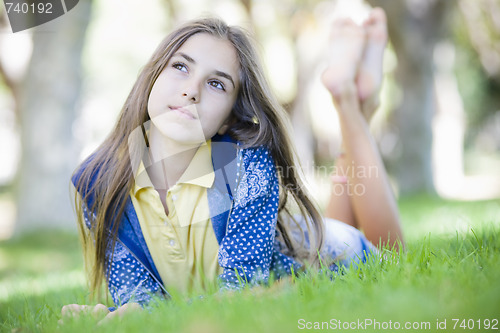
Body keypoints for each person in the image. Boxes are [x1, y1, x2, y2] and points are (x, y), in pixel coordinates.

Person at [61, 8, 403, 322]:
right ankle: (360, 100)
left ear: (228, 118)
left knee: (390, 256)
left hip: (335, 256)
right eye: (180, 66)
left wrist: (138, 315)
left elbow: (242, 291)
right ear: (152, 77)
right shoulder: (99, 183)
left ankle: (346, 99)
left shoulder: (247, 166)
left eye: (216, 84)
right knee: (322, 227)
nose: (191, 91)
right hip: (308, 237)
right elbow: (142, 301)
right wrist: (109, 316)